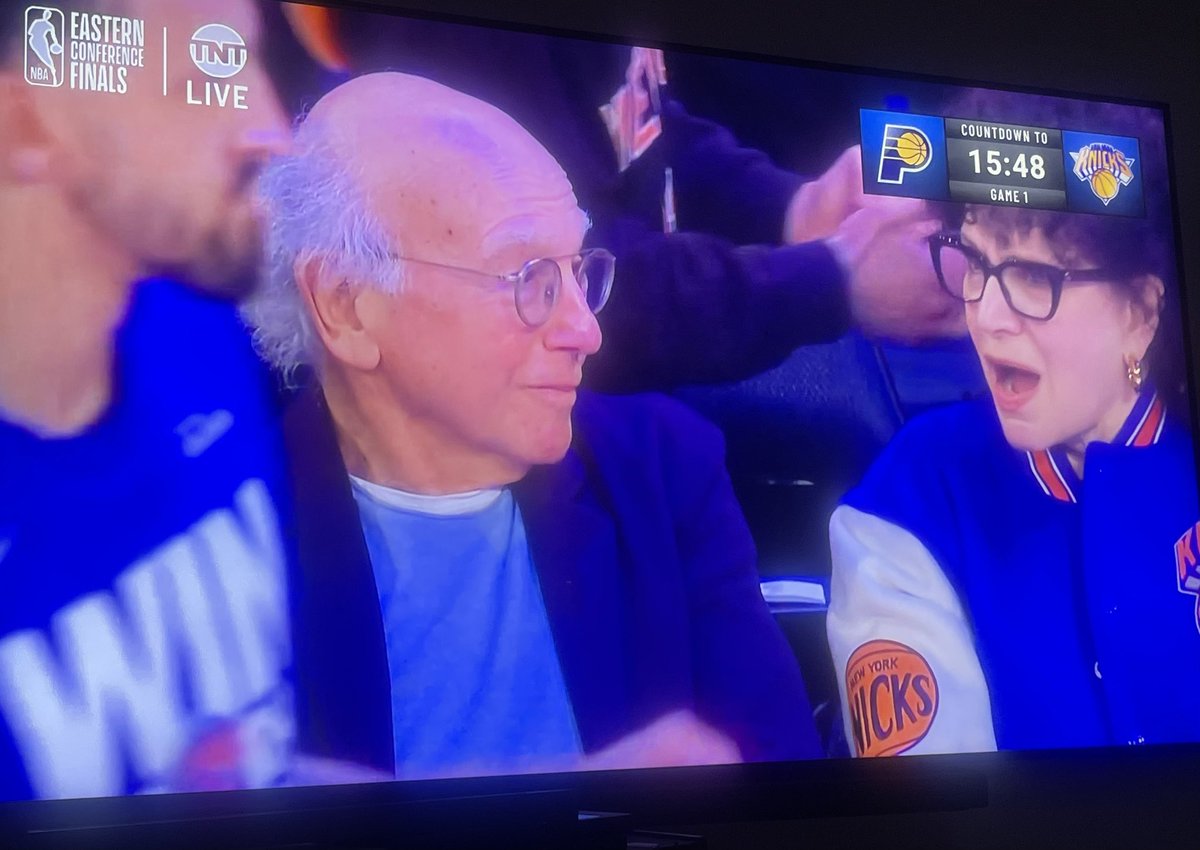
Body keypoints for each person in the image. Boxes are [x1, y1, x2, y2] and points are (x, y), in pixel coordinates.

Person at [243, 71, 823, 779]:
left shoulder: (664, 472)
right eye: (528, 280)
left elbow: (782, 787)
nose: (586, 331)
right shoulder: (221, 553)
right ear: (346, 304)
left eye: (579, 271)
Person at [277, 10, 963, 393]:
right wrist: (830, 282)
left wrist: (790, 208)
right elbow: (564, 288)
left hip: (652, 405)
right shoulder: (446, 38)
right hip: (554, 444)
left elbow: (634, 126)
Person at [825, 94, 1198, 756]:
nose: (987, 315)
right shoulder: (912, 500)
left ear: (1142, 312)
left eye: (1032, 276)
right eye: (974, 261)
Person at [0, 0, 305, 799]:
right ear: (26, 126)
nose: (273, 128)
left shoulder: (199, 337)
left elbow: (250, 775)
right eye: (206, 76)